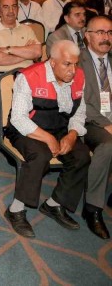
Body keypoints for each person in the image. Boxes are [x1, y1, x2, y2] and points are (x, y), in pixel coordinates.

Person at [4, 40, 90, 239]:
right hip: (27, 129)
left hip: (60, 127)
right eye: (67, 64)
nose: (72, 70)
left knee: (82, 156)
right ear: (52, 62)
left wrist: (72, 134)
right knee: (40, 155)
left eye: (75, 64)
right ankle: (15, 209)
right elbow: (18, 118)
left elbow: (79, 112)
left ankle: (54, 204)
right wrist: (48, 138)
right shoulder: (29, 76)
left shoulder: (79, 77)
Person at [79, 16, 112, 239]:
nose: (106, 37)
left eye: (109, 32)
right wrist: (106, 123)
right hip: (88, 120)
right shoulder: (76, 61)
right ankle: (92, 208)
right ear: (87, 36)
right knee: (108, 145)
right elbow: (79, 101)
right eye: (100, 32)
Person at [0, 0, 41, 77]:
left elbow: (37, 52)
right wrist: (26, 55)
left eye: (14, 6)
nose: (11, 11)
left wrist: (8, 49)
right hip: (0, 77)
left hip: (27, 75)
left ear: (18, 9)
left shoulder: (27, 29)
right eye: (6, 7)